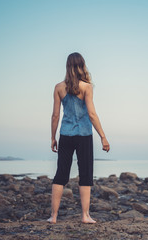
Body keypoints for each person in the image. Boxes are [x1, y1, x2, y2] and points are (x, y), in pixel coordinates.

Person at [47, 52, 110, 224]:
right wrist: (103, 137)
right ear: (82, 66)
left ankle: (53, 217)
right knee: (86, 174)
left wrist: (53, 137)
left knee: (60, 174)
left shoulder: (59, 87)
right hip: (84, 136)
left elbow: (55, 116)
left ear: (67, 66)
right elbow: (91, 113)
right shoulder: (86, 87)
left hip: (66, 135)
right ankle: (85, 216)